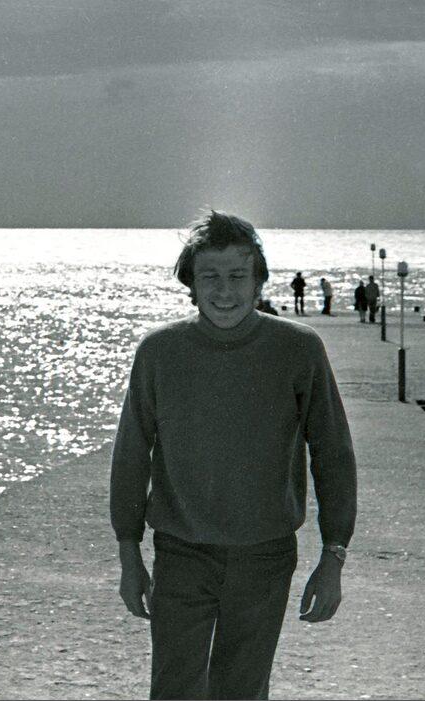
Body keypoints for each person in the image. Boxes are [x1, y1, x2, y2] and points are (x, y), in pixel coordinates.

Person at [110, 210, 358, 700]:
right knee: (173, 690)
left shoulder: (298, 349)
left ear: (259, 281)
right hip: (181, 552)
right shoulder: (160, 352)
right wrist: (128, 552)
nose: (224, 291)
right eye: (210, 277)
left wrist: (334, 555)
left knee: (242, 690)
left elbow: (333, 454)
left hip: (264, 555)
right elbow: (131, 455)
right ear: (191, 284)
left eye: (237, 276)